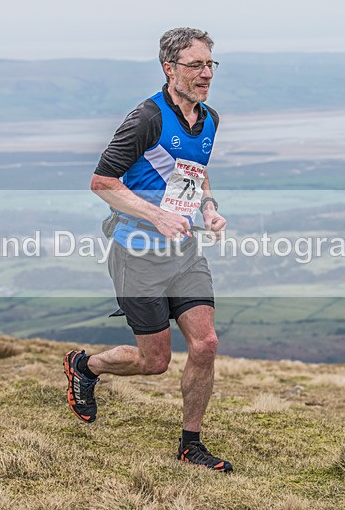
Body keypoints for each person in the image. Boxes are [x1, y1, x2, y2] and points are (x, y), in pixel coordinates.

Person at [64, 27, 232, 472]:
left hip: (184, 253)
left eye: (210, 64)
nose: (206, 73)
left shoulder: (209, 119)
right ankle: (86, 366)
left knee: (206, 343)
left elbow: (196, 174)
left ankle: (190, 444)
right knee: (154, 361)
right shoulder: (146, 119)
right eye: (195, 65)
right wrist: (156, 216)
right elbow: (101, 183)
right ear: (169, 69)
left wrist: (210, 208)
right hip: (135, 253)